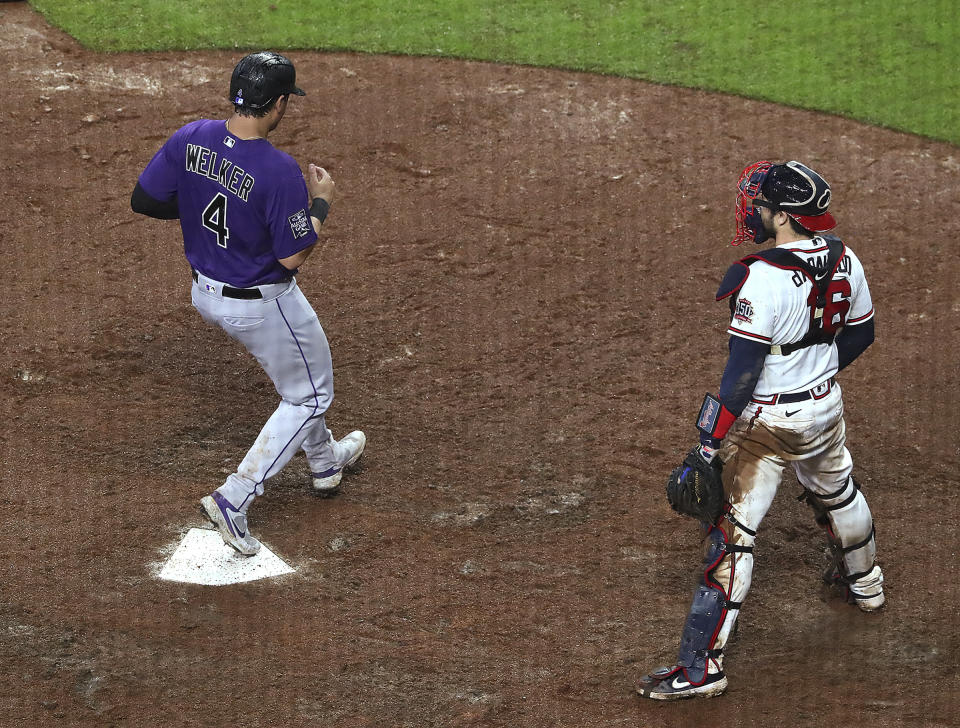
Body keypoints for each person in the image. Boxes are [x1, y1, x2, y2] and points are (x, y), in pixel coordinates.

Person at [636, 160, 884, 700]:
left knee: (731, 536)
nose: (755, 210)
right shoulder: (847, 258)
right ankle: (865, 585)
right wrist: (813, 374)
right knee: (838, 491)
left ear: (784, 216)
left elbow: (740, 376)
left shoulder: (762, 277)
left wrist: (706, 444)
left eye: (763, 205)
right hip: (825, 409)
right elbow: (861, 334)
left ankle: (702, 669)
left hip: (770, 423)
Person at [131, 51, 365, 556]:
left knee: (302, 376)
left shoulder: (191, 137)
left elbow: (144, 201)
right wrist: (321, 201)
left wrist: (200, 203)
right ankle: (234, 498)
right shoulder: (279, 170)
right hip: (261, 303)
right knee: (310, 396)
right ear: (279, 103)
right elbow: (293, 253)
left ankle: (325, 464)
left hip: (205, 292)